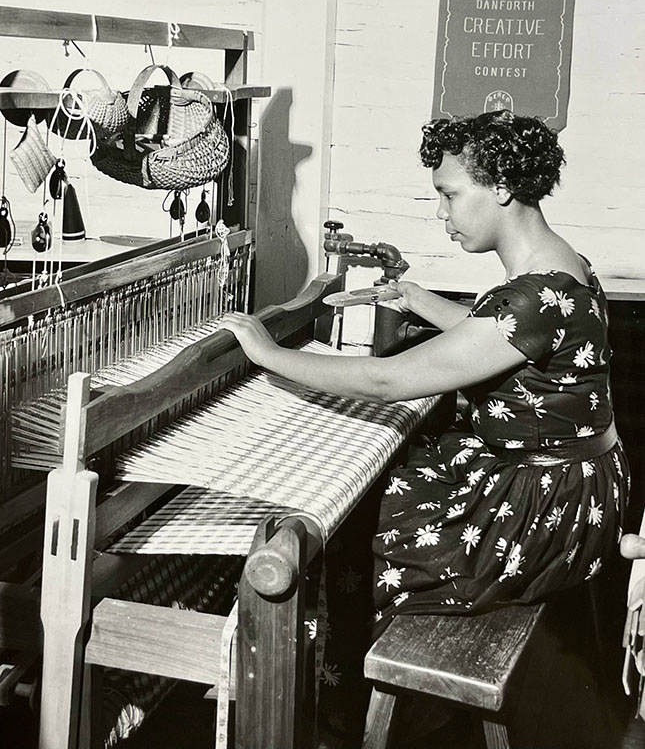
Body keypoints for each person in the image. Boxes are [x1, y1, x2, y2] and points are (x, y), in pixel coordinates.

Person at [221, 110, 630, 744]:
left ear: (500, 187)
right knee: (390, 475)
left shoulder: (534, 294)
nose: (441, 213)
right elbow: (501, 339)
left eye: (449, 194)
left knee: (349, 523)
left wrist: (269, 354)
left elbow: (391, 380)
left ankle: (344, 714)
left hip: (544, 509)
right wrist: (415, 299)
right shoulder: (561, 264)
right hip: (577, 489)